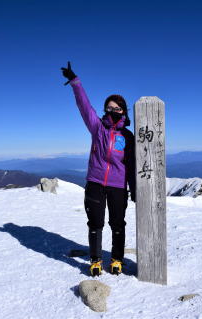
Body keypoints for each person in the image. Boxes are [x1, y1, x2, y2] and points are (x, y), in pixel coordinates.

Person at [60, 61, 136, 276]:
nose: (112, 111)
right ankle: (95, 260)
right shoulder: (97, 128)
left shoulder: (128, 137)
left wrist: (134, 188)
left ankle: (116, 260)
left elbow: (130, 165)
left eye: (117, 108)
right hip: (95, 182)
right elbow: (84, 106)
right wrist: (75, 82)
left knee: (118, 224)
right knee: (95, 223)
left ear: (123, 111)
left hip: (118, 186)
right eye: (109, 108)